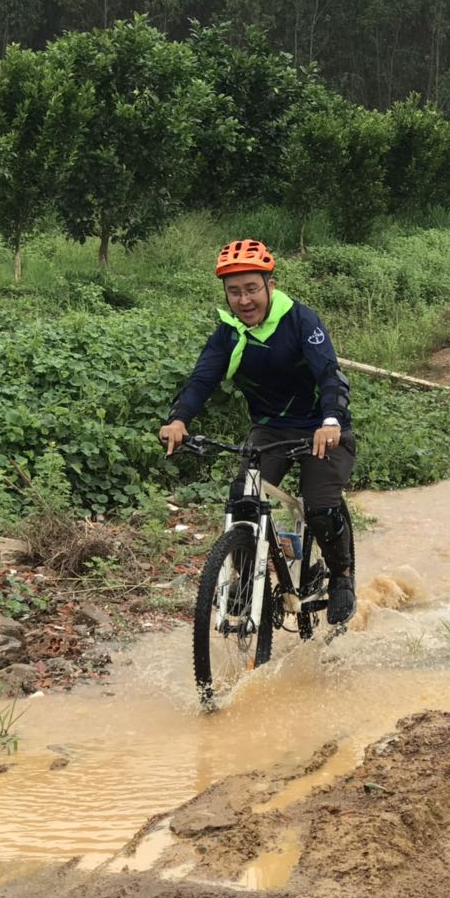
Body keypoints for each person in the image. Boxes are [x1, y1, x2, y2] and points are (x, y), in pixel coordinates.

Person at [158, 238, 357, 624]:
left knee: (320, 507)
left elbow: (329, 374)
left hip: (321, 428)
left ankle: (341, 576)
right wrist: (179, 419)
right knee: (243, 500)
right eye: (234, 291)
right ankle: (247, 580)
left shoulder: (301, 321)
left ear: (270, 285)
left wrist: (331, 420)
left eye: (252, 288)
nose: (244, 300)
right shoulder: (229, 332)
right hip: (270, 431)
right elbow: (202, 380)